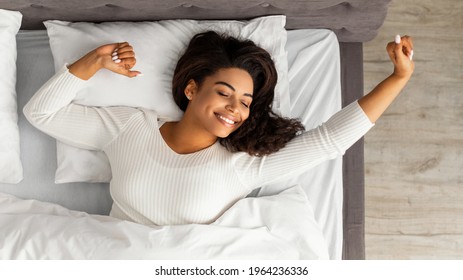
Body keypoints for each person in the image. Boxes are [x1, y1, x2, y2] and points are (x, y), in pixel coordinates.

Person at [24, 31, 414, 226]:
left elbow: (329, 140)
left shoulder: (244, 163)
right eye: (224, 93)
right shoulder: (129, 126)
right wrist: (93, 61)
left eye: (245, 101)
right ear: (191, 89)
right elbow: (41, 113)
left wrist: (397, 78)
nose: (235, 108)